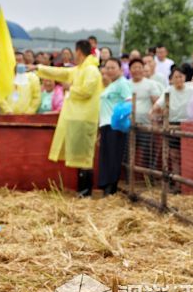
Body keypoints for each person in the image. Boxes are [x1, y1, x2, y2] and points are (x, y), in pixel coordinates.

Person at [32, 40, 103, 197]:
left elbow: (87, 91)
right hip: (77, 117)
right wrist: (39, 68)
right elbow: (61, 73)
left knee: (85, 157)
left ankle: (86, 192)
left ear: (78, 52)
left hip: (85, 118)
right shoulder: (80, 69)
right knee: (79, 156)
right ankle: (82, 191)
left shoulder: (91, 70)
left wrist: (70, 88)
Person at [97, 58, 131, 196]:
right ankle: (105, 186)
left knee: (113, 156)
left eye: (113, 67)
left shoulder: (122, 83)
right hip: (105, 125)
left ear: (120, 69)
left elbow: (129, 102)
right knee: (106, 156)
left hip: (115, 126)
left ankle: (111, 188)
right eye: (107, 67)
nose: (109, 70)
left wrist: (119, 120)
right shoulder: (111, 85)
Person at [153, 66, 193, 183]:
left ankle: (188, 182)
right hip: (172, 124)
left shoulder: (192, 90)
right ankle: (177, 183)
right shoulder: (169, 90)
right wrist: (153, 112)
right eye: (176, 77)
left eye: (180, 76)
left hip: (188, 124)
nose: (178, 79)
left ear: (184, 77)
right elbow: (158, 105)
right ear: (171, 79)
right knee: (174, 154)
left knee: (187, 154)